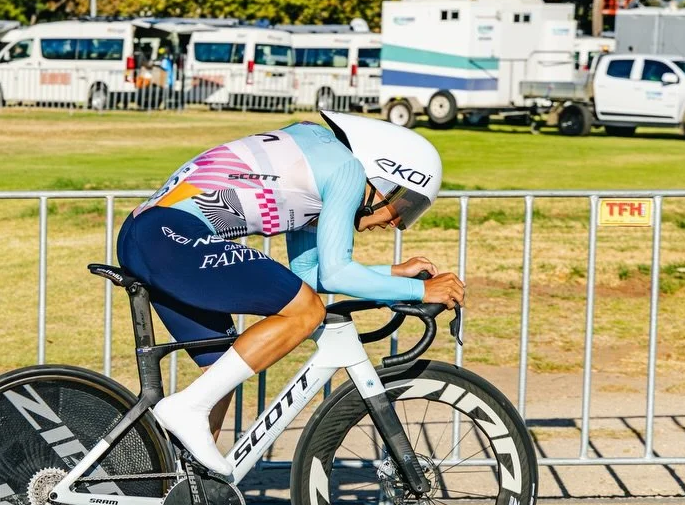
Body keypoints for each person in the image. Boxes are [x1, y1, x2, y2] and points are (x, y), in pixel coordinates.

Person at [117, 111, 465, 478]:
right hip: (169, 237)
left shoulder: (318, 161)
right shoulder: (347, 170)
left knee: (219, 376)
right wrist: (421, 290)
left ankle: (179, 493)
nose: (396, 223)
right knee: (307, 312)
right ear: (383, 178)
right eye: (404, 206)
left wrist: (392, 274)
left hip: (149, 235)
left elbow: (310, 275)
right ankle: (185, 409)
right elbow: (334, 275)